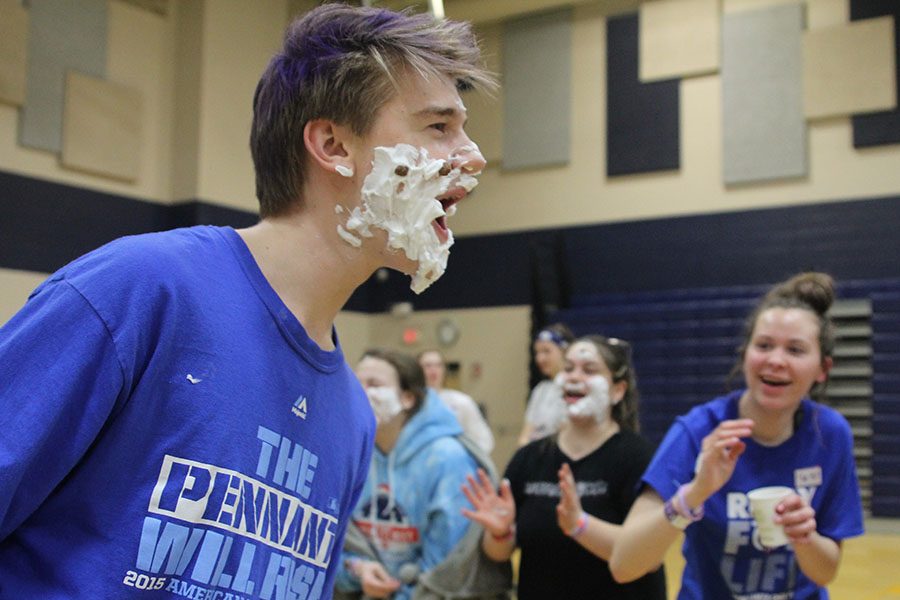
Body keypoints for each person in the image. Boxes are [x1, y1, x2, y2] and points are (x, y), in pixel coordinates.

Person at [0, 4, 495, 597]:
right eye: (439, 127)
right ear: (334, 144)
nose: (474, 157)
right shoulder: (142, 288)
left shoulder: (355, 415)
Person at [610, 272, 865, 599]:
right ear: (745, 354)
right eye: (764, 345)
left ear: (822, 369)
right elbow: (624, 565)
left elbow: (825, 571)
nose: (775, 360)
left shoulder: (830, 435)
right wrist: (694, 494)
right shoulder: (698, 431)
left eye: (795, 350)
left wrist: (805, 536)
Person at [462, 336, 667, 599]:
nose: (573, 376)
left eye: (589, 370)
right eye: (568, 368)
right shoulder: (529, 458)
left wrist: (580, 525)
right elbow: (498, 553)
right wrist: (500, 533)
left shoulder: (639, 457)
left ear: (617, 391)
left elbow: (648, 558)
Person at [333, 349, 497, 600]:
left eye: (374, 384)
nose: (360, 393)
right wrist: (356, 570)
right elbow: (333, 538)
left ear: (408, 398)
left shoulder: (447, 459)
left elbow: (448, 568)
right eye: (358, 383)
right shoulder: (350, 450)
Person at [418, 348, 494, 454]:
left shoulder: (461, 401)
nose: (433, 370)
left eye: (438, 365)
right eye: (428, 366)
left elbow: (484, 441)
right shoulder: (410, 403)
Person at [516, 323, 575, 445]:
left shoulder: (574, 388)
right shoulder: (541, 389)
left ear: (565, 351)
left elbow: (567, 432)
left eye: (546, 351)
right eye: (537, 352)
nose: (540, 359)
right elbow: (525, 434)